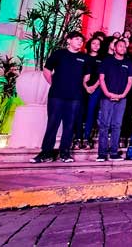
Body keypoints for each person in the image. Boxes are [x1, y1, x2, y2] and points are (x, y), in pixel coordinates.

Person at [30, 31, 90, 163]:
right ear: (68, 40)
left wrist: (80, 85)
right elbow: (47, 70)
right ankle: (46, 153)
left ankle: (65, 153)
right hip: (56, 96)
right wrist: (54, 84)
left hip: (75, 97)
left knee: (69, 126)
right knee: (52, 123)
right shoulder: (59, 54)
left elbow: (87, 75)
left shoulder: (84, 57)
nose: (80, 42)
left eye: (81, 40)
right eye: (76, 39)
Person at [97, 40, 132, 161]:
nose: (123, 48)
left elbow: (130, 81)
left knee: (117, 125)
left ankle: (113, 152)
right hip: (106, 97)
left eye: (124, 46)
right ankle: (102, 153)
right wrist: (107, 93)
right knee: (104, 125)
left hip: (122, 98)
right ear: (114, 48)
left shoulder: (128, 62)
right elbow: (101, 79)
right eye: (120, 46)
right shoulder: (107, 61)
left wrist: (123, 95)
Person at [74, 36, 103, 150]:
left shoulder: (102, 59)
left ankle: (86, 138)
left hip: (96, 88)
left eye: (98, 44)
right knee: (80, 112)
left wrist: (94, 86)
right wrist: (86, 86)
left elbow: (102, 76)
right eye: (94, 43)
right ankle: (78, 138)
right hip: (82, 87)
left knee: (91, 112)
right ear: (90, 44)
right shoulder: (83, 57)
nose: (96, 46)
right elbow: (79, 73)